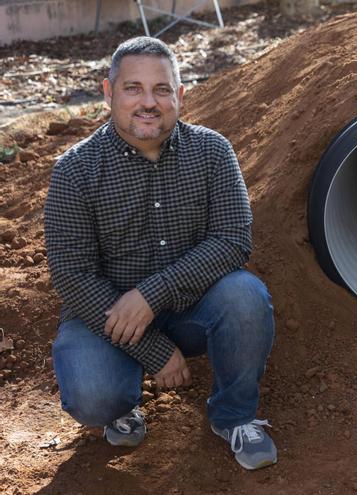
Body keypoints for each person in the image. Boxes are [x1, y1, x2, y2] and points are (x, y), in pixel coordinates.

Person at [44, 37, 277, 470]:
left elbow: (233, 240)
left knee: (245, 296)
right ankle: (123, 403)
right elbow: (73, 276)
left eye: (162, 89)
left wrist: (152, 295)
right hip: (107, 316)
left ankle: (234, 417)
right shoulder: (74, 170)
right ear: (109, 93)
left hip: (193, 308)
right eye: (133, 88)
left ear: (181, 96)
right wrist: (153, 350)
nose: (148, 102)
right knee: (94, 397)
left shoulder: (213, 152)